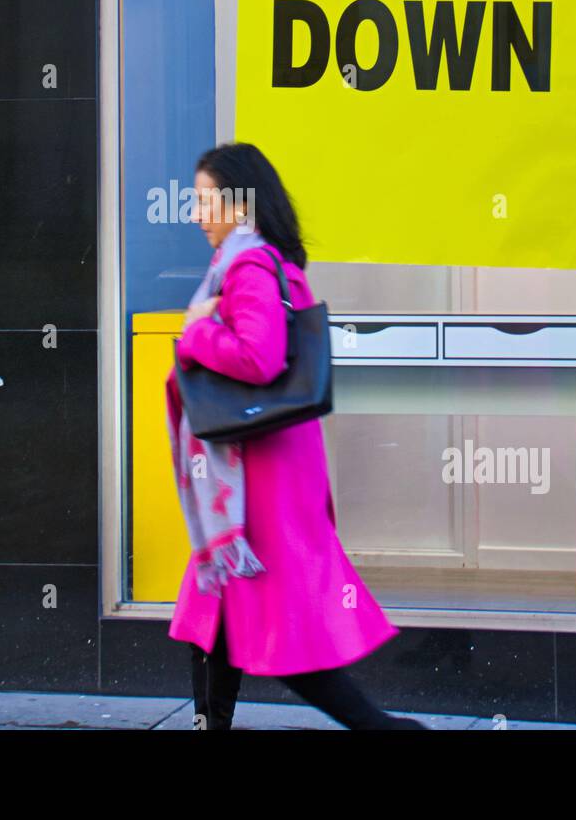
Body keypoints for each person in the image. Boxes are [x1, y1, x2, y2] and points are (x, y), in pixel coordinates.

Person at [164, 142, 429, 731]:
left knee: (285, 635)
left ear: (237, 202)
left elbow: (259, 357)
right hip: (260, 475)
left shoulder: (249, 265)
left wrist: (195, 334)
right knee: (215, 615)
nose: (196, 213)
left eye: (204, 200)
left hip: (259, 484)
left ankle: (389, 731)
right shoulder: (268, 262)